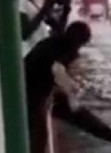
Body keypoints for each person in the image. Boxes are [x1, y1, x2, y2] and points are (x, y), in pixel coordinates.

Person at [24, 21, 92, 153]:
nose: (79, 50)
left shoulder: (53, 43)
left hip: (30, 87)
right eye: (81, 45)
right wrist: (72, 96)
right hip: (31, 92)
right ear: (77, 42)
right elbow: (57, 70)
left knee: (38, 133)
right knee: (39, 135)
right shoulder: (63, 49)